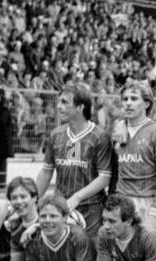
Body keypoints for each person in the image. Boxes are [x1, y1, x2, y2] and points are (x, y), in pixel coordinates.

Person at [36, 83, 113, 236]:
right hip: (60, 208)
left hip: (91, 209)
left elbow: (105, 177)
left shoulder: (100, 136)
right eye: (59, 102)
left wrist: (76, 198)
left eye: (64, 102)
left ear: (80, 107)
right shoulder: (55, 134)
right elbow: (46, 172)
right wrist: (34, 200)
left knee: (88, 255)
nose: (58, 106)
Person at [110, 81, 156, 238]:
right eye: (125, 99)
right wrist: (121, 123)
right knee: (122, 253)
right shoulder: (117, 130)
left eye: (134, 98)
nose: (128, 103)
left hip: (148, 202)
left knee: (150, 254)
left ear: (146, 103)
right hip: (122, 200)